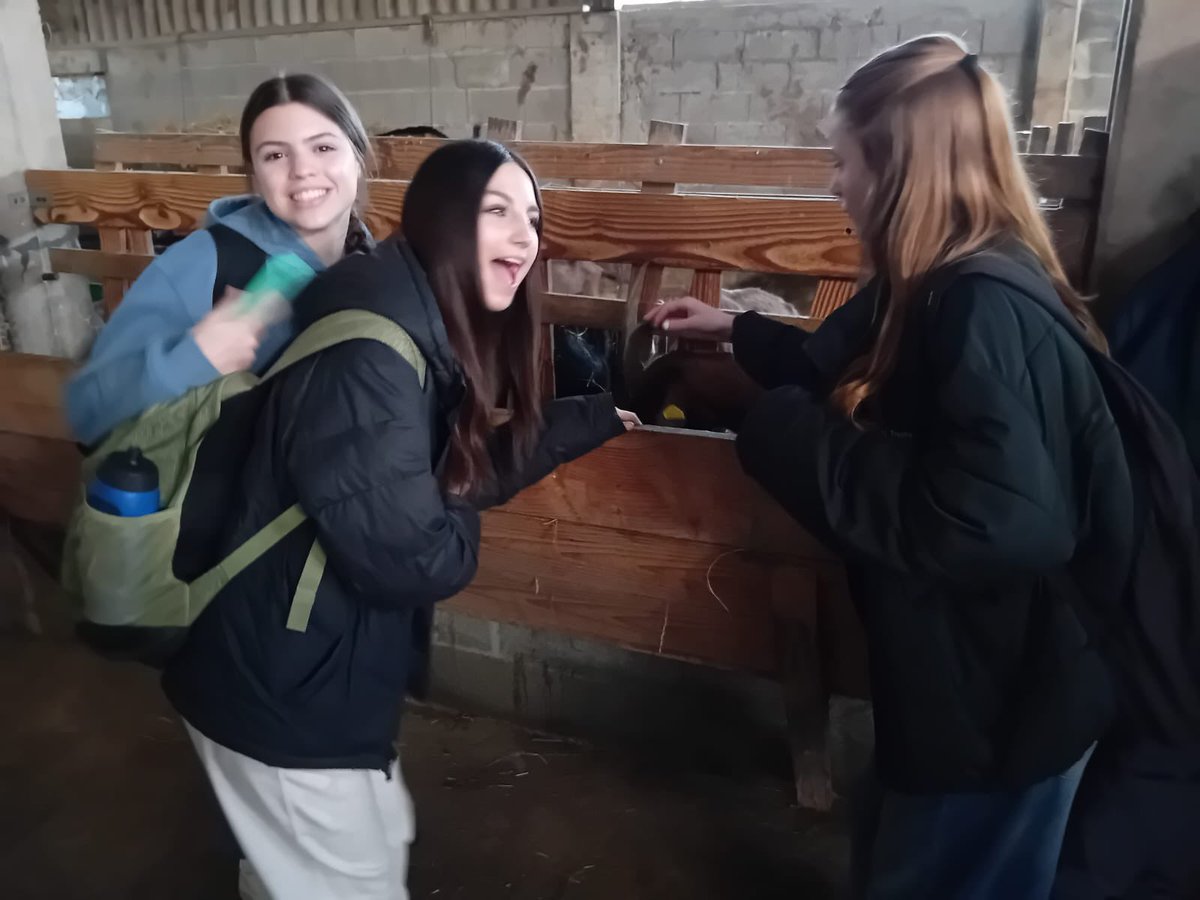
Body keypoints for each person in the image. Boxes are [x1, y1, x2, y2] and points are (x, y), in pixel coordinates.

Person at [648, 35, 1125, 899]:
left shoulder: (980, 307)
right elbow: (868, 377)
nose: (837, 185)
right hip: (968, 692)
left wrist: (776, 425)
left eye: (844, 162)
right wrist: (741, 335)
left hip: (1000, 711)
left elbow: (988, 517)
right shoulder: (946, 279)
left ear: (899, 169)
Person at [159, 138, 637, 899]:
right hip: (281, 682)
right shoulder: (372, 358)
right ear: (442, 219)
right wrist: (451, 508)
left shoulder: (407, 315)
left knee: (369, 842)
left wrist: (586, 419)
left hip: (303, 658)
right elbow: (416, 554)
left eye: (533, 218)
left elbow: (432, 478)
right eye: (496, 211)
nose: (525, 236)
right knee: (357, 882)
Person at [65, 72, 373, 445]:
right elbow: (85, 411)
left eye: (322, 147)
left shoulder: (373, 261)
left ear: (357, 156)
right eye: (275, 155)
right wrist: (192, 359)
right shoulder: (205, 262)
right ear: (255, 176)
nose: (302, 169)